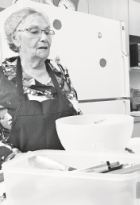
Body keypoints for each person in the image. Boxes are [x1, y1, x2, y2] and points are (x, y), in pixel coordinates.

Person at [0, 7, 81, 168]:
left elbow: (77, 118)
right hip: (19, 172)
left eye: (47, 31)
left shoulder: (60, 72)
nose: (44, 38)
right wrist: (17, 160)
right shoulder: (3, 76)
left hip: (64, 168)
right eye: (34, 31)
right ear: (16, 38)